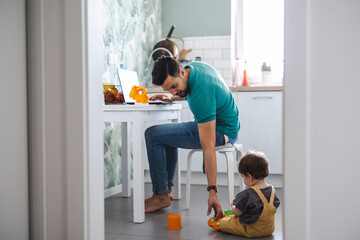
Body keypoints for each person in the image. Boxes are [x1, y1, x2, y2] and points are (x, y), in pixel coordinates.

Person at [144, 56, 240, 220]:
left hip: (221, 132)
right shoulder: (194, 68)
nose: (173, 92)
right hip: (227, 126)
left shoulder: (201, 94)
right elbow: (187, 89)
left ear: (181, 71)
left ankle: (161, 195)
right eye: (168, 89)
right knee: (166, 135)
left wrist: (212, 192)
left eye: (174, 87)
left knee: (153, 135)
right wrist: (171, 97)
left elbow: (208, 147)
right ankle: (166, 191)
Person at [212, 151, 280, 237]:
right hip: (269, 229)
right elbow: (275, 205)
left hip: (250, 230)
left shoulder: (248, 194)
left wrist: (233, 207)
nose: (243, 180)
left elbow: (237, 213)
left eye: (243, 177)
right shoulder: (272, 190)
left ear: (249, 177)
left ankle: (221, 224)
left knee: (225, 222)